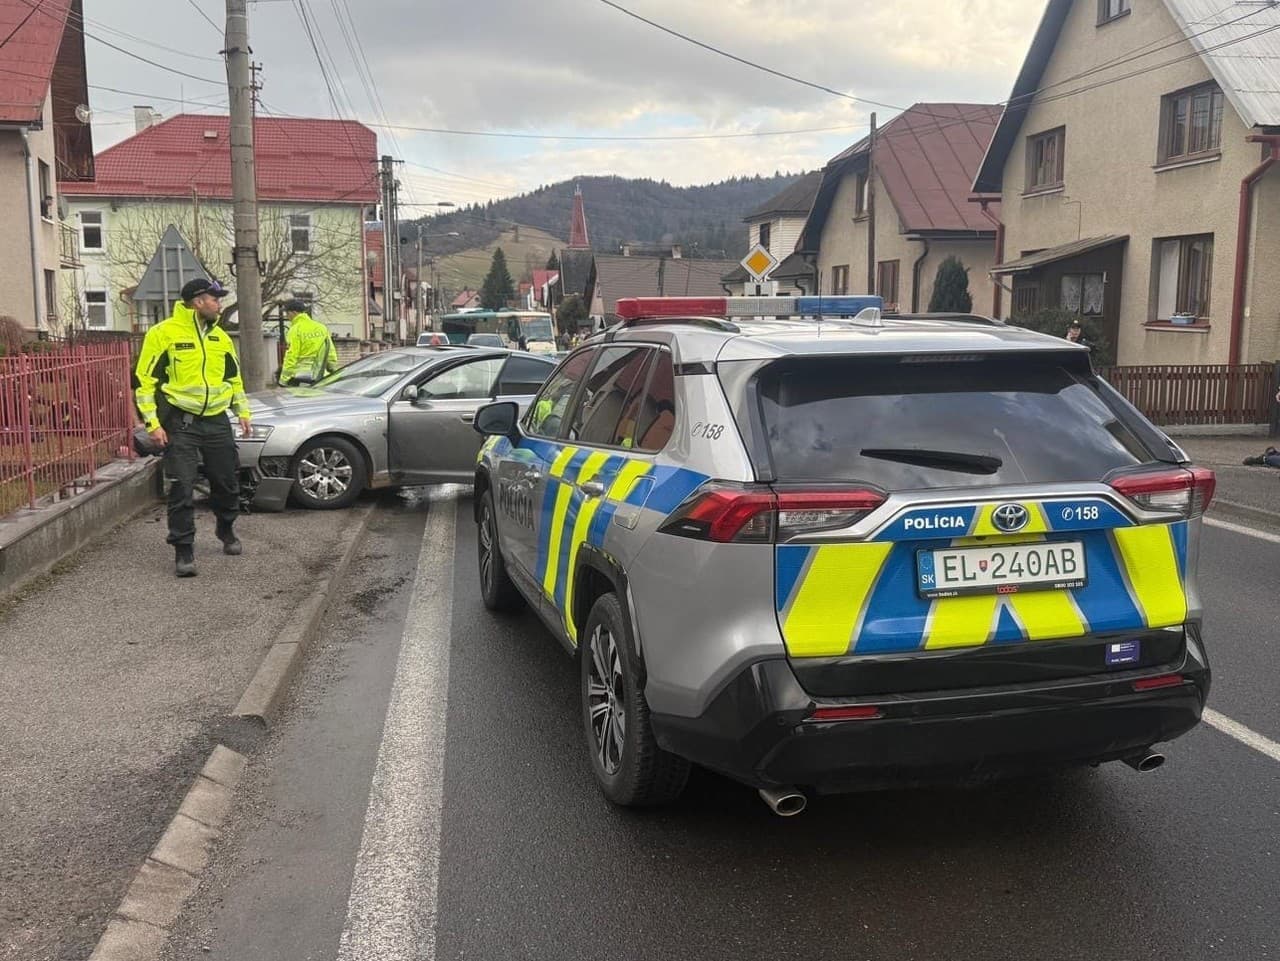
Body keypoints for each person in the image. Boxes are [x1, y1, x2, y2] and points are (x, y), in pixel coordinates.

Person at [135, 278, 253, 577]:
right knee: (182, 487)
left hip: (217, 420)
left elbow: (233, 379)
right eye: (215, 299)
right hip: (182, 422)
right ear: (199, 301)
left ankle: (226, 528)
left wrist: (243, 411)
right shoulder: (163, 334)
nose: (219, 304)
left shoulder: (221, 338)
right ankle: (183, 549)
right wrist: (153, 423)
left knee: (226, 483)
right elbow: (144, 382)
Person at [279, 299, 338, 386]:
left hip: (301, 378)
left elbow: (291, 356)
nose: (287, 316)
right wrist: (333, 371)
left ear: (294, 312)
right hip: (320, 376)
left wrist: (283, 380)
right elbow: (330, 352)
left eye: (287, 313)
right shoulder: (321, 327)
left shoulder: (295, 330)